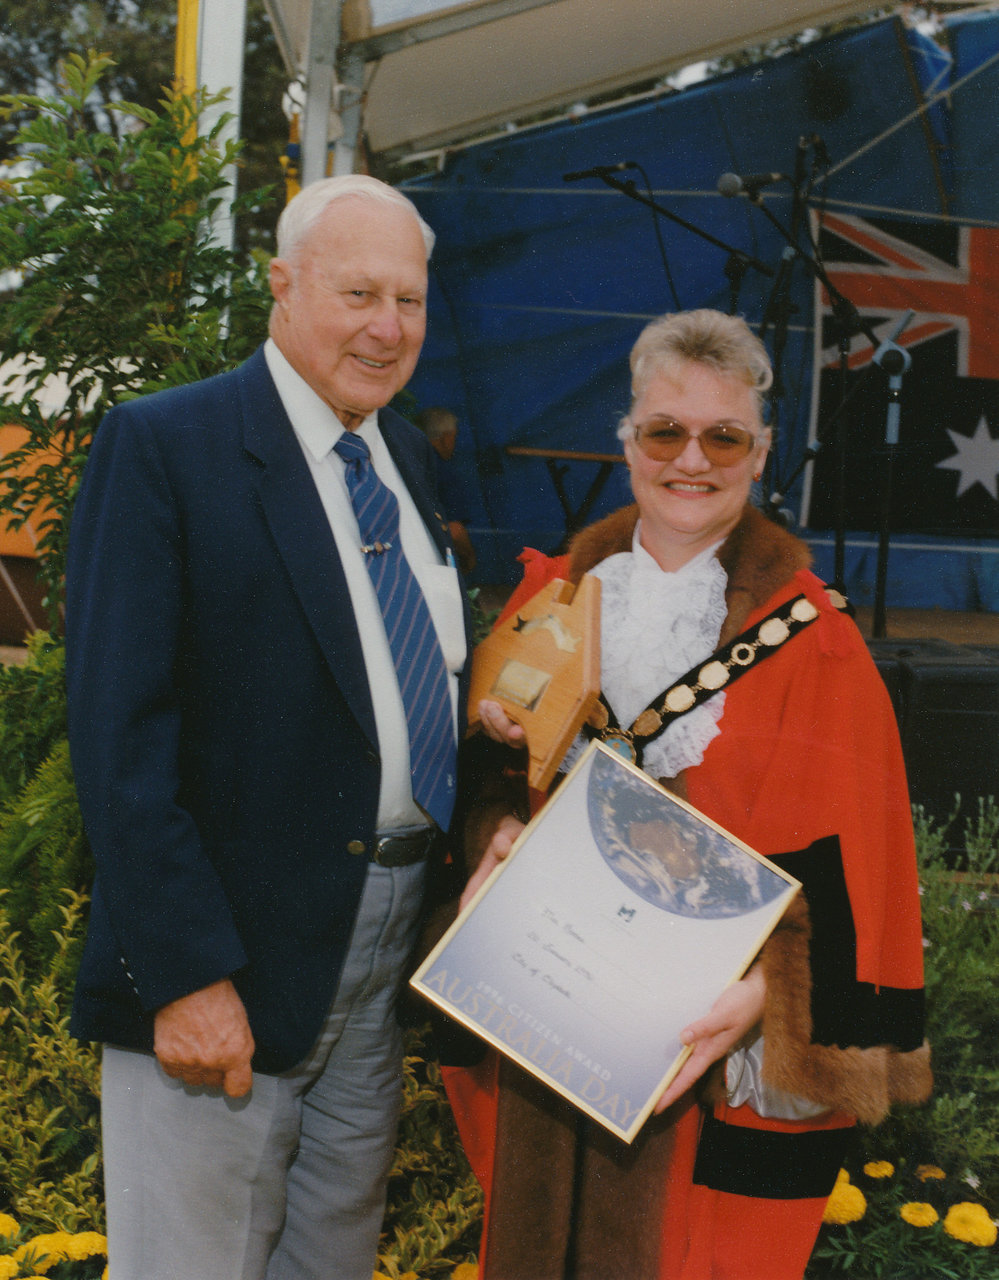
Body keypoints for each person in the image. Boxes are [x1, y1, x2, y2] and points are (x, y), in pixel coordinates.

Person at [447, 310, 930, 1280]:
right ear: (627, 442)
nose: (691, 459)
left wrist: (764, 997)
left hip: (708, 1053)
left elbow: (859, 873)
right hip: (551, 1022)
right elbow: (487, 777)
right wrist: (493, 833)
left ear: (761, 455)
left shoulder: (819, 641)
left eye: (724, 436)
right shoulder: (548, 597)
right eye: (665, 431)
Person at [65, 174, 470, 1280]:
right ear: (283, 287)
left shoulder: (409, 461)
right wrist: (186, 974)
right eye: (358, 293)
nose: (388, 328)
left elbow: (410, 681)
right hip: (224, 971)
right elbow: (118, 737)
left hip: (375, 964)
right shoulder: (166, 447)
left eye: (411, 300)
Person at [415, 405, 477, 575]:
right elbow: (454, 529)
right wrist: (470, 559)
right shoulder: (443, 470)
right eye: (454, 437)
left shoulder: (412, 461)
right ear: (446, 437)